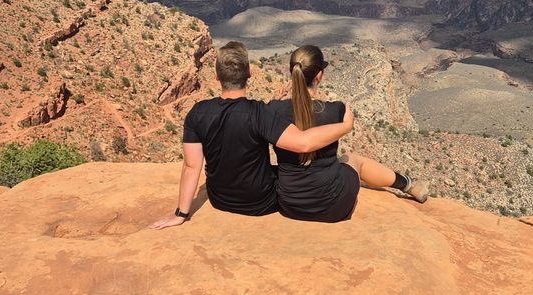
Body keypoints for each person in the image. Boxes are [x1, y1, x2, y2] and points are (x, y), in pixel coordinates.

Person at [150, 40, 354, 227]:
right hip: (261, 203)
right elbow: (302, 143)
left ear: (217, 76)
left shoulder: (197, 113)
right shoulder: (259, 113)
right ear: (249, 73)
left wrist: (181, 213)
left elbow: (191, 166)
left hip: (220, 199)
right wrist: (345, 127)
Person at [270, 44, 428, 222]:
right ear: (319, 75)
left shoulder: (273, 110)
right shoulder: (335, 110)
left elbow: (295, 117)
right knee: (352, 158)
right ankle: (408, 184)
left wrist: (273, 101)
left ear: (292, 73)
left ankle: (409, 184)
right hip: (332, 205)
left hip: (290, 204)